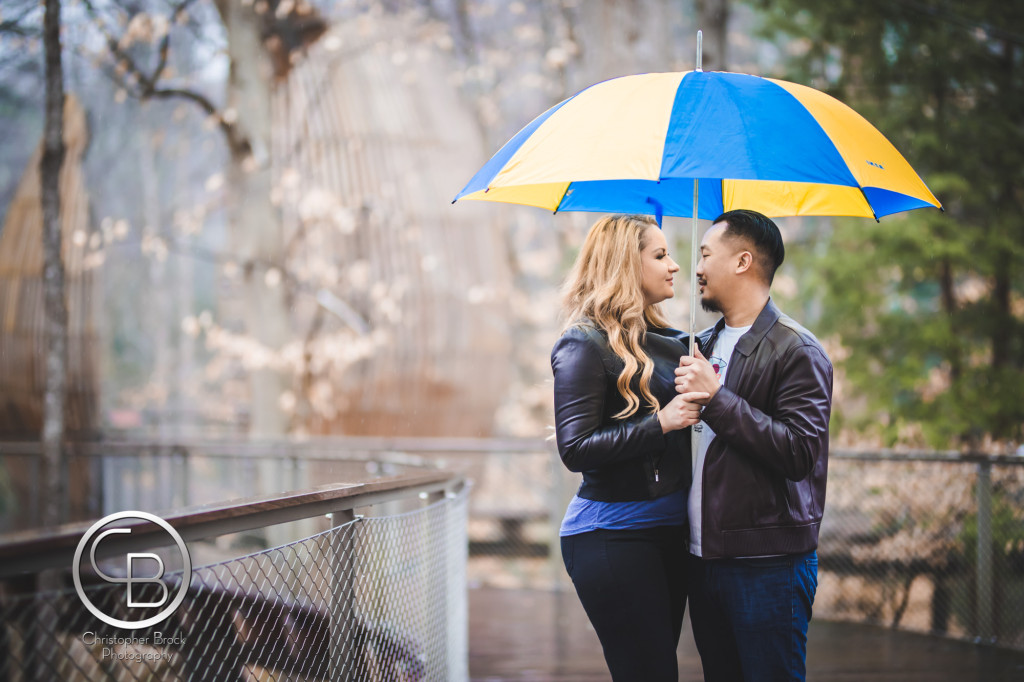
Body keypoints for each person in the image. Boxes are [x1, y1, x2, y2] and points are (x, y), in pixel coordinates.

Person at [675, 209, 833, 682]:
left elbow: (799, 453)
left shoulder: (797, 350)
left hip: (768, 564)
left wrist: (717, 398)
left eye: (705, 254)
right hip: (704, 559)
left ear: (743, 261)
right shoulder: (699, 345)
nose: (696, 267)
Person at [551, 214, 709, 682]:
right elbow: (575, 448)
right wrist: (660, 422)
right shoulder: (582, 345)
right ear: (624, 264)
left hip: (669, 533)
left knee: (661, 670)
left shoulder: (672, 342)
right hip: (612, 535)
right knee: (648, 672)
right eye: (660, 255)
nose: (676, 266)